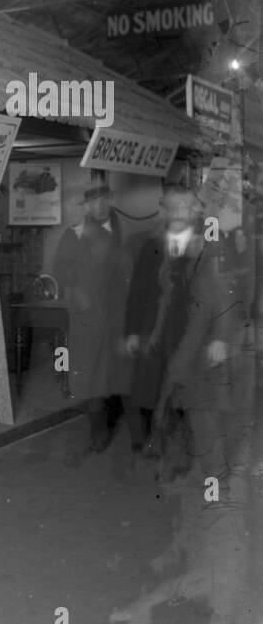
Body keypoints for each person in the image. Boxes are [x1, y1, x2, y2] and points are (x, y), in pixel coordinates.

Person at [122, 186, 232, 484]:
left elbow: (222, 297)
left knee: (192, 402)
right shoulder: (150, 247)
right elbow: (138, 293)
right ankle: (163, 456)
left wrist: (220, 337)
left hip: (192, 337)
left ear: (195, 211)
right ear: (165, 210)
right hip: (154, 336)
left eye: (186, 206)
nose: (180, 213)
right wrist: (132, 332)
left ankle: (196, 465)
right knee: (157, 396)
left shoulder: (210, 245)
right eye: (174, 206)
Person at [51, 183, 131, 462]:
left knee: (115, 372)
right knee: (90, 374)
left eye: (104, 200)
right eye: (94, 202)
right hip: (86, 319)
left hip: (115, 317)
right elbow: (59, 271)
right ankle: (98, 432)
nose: (99, 206)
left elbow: (125, 274)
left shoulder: (116, 232)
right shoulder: (72, 236)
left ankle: (116, 419)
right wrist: (75, 292)